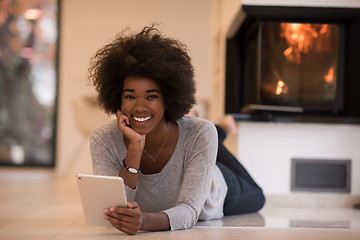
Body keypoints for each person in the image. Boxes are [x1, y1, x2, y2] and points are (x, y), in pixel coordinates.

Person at [88, 24, 265, 235]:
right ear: (118, 97)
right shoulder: (103, 140)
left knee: (257, 196)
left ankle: (217, 132)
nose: (139, 106)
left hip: (213, 191)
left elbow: (190, 210)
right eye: (130, 96)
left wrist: (143, 221)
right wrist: (135, 147)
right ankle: (218, 130)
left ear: (168, 98)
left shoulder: (198, 134)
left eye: (152, 96)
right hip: (192, 139)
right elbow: (117, 210)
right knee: (203, 132)